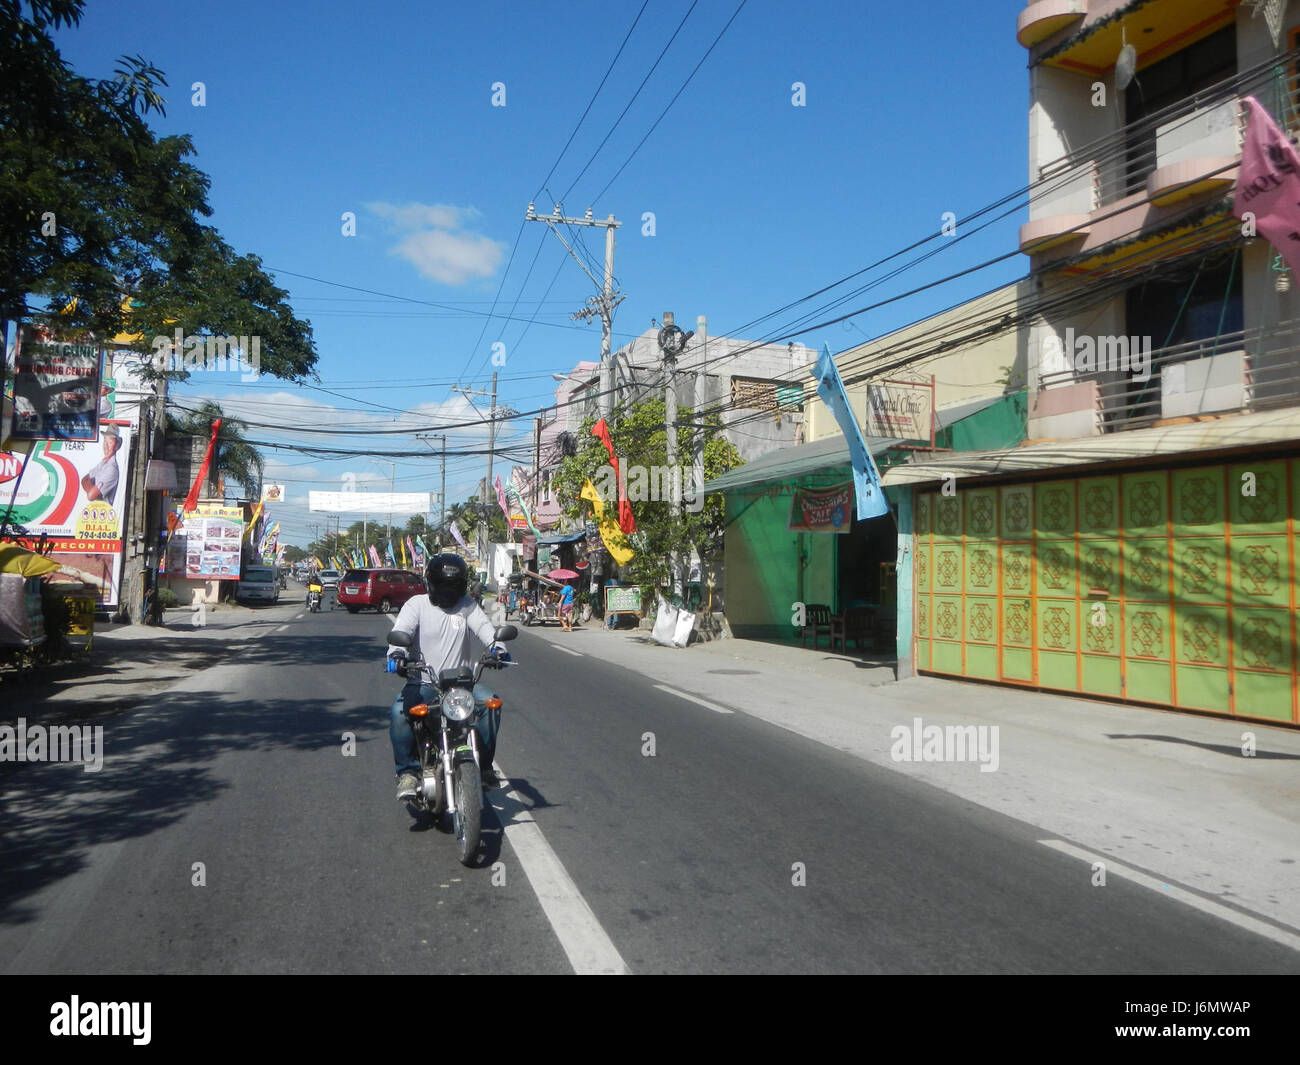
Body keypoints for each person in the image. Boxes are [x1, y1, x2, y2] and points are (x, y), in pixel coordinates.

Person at [386, 553, 509, 801]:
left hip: (462, 685)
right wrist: (396, 655)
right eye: (444, 584)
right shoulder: (416, 605)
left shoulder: (468, 605)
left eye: (454, 585)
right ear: (431, 583)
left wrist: (498, 649)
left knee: (490, 704)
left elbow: (486, 630)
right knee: (399, 713)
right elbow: (401, 631)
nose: (449, 591)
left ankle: (484, 768)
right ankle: (407, 773)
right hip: (424, 682)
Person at [81, 423, 121, 504]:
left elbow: (91, 496)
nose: (106, 445)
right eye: (105, 441)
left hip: (102, 514)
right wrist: (92, 489)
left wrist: (90, 488)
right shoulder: (103, 463)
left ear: (116, 446)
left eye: (110, 442)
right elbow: (84, 480)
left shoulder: (112, 469)